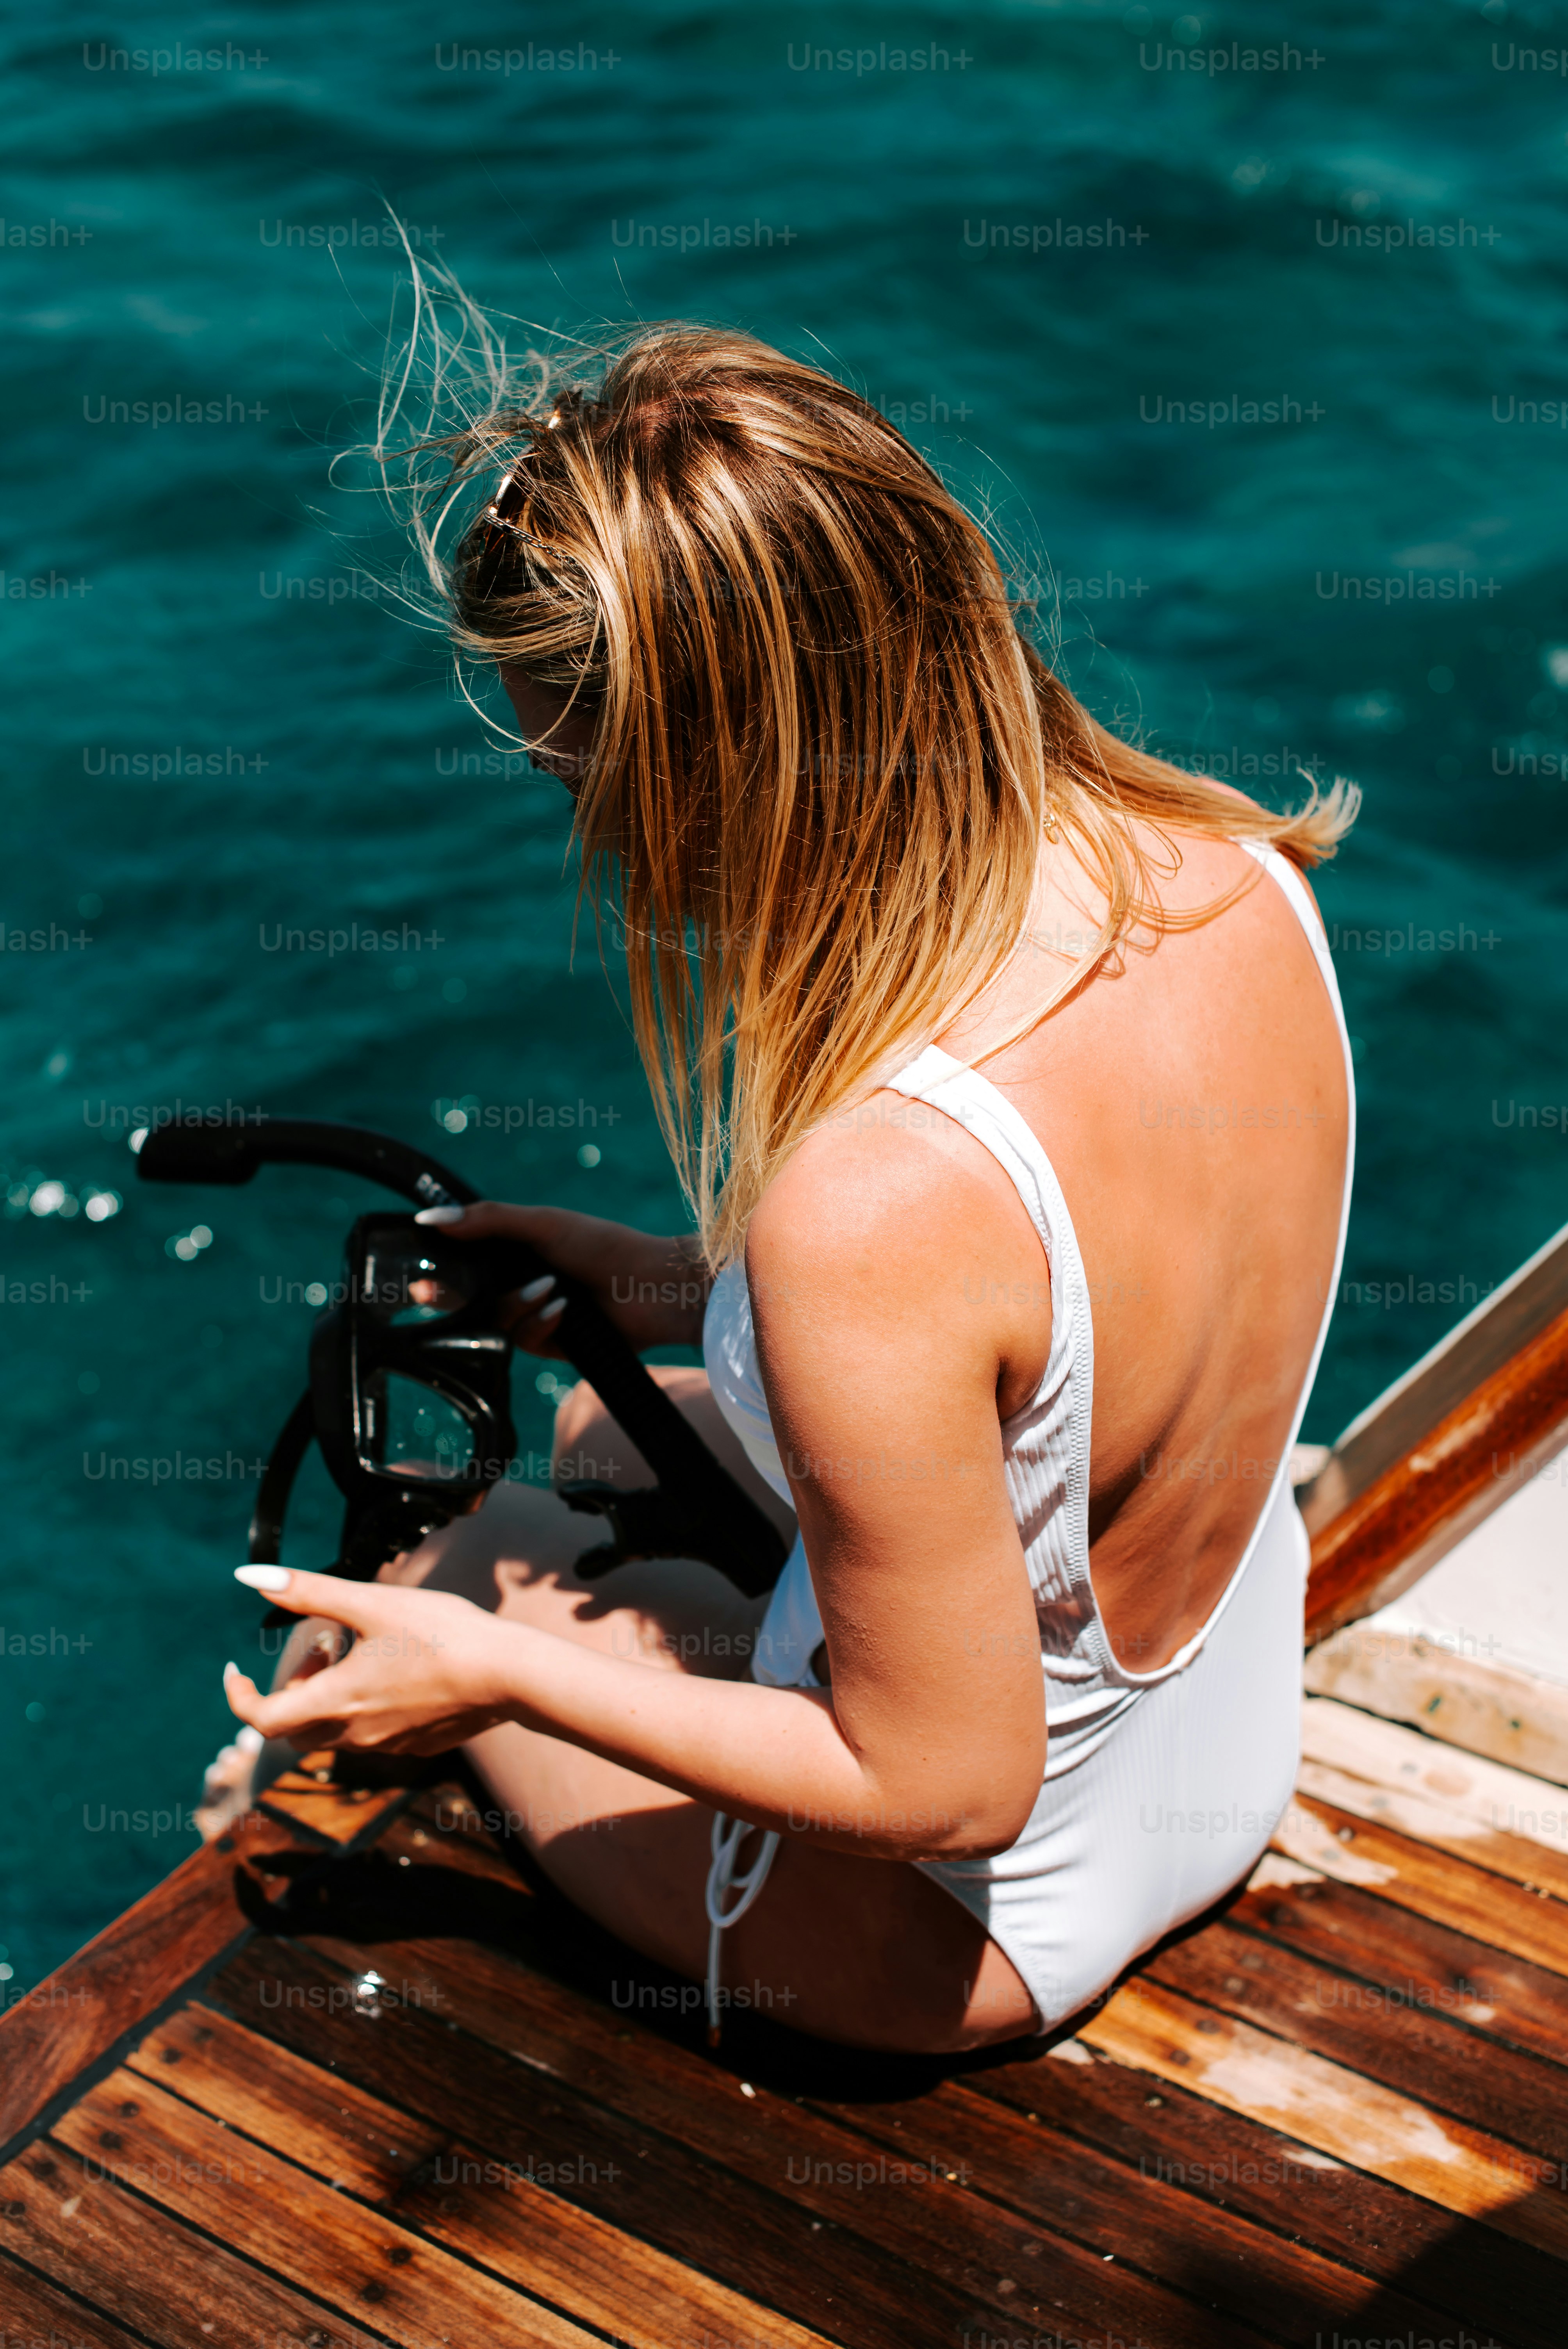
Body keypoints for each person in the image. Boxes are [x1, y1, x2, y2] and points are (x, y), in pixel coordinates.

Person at [217, 323, 1355, 2053]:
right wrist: (649, 1275)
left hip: (979, 1924)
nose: (590, 840)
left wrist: (494, 1671)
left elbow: (948, 1781)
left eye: (582, 779)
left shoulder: (866, 1201)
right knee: (617, 1432)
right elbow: (1047, 1326)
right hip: (1225, 1733)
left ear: (708, 774)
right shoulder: (1231, 875)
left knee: (472, 1547)